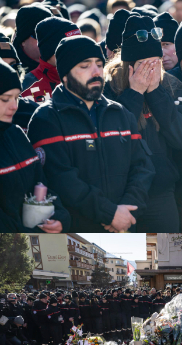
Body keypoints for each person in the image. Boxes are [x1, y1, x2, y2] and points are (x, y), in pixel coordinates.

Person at [27, 35, 155, 232]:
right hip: (77, 230)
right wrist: (109, 213)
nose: (96, 72)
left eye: (99, 64)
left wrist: (128, 210)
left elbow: (142, 167)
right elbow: (60, 178)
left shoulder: (120, 113)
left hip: (126, 225)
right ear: (65, 75)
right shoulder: (47, 118)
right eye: (85, 66)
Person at [103, 14, 182, 232]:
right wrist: (134, 93)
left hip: (161, 193)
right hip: (122, 194)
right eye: (142, 65)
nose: (150, 70)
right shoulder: (108, 89)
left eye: (155, 63)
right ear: (128, 65)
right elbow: (115, 139)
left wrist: (155, 92)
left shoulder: (171, 86)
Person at [0, 60, 70, 232]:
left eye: (17, 97)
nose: (14, 106)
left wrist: (59, 216)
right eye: (5, 99)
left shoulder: (16, 134)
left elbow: (41, 183)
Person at [20, 16, 80, 102]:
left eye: (78, 47)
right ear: (49, 50)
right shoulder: (25, 86)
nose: (75, 53)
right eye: (67, 47)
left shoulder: (90, 77)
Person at [12, 4, 54, 76]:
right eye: (39, 35)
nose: (46, 40)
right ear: (23, 40)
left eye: (51, 35)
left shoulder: (61, 61)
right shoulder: (10, 67)